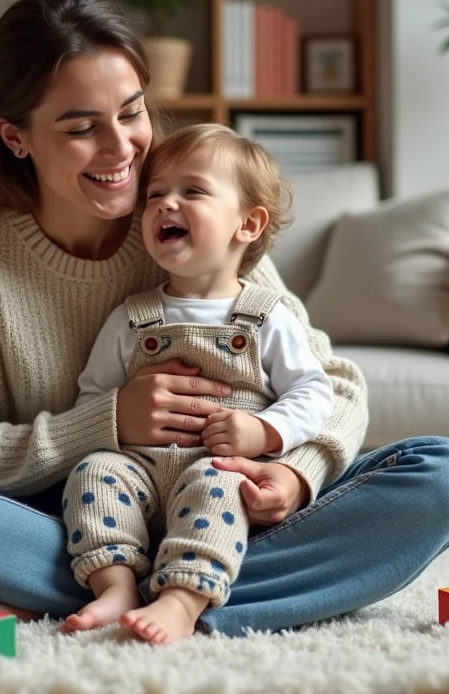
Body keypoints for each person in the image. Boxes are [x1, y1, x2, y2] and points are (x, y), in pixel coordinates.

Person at [0, 0, 449, 642]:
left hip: (216, 506)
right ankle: (181, 594)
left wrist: (297, 473)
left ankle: (96, 597)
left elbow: (332, 385)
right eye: (80, 128)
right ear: (15, 136)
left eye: (132, 112)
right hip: (47, 517)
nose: (122, 148)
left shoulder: (186, 208)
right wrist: (106, 422)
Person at [62, 124, 334, 644]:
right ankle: (115, 585)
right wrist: (117, 414)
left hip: (219, 477)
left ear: (248, 224)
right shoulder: (131, 317)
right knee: (93, 471)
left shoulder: (267, 315)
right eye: (155, 194)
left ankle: (183, 601)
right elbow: (92, 400)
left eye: (192, 191)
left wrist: (264, 431)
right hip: (138, 476)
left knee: (221, 483)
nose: (166, 204)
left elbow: (315, 391)